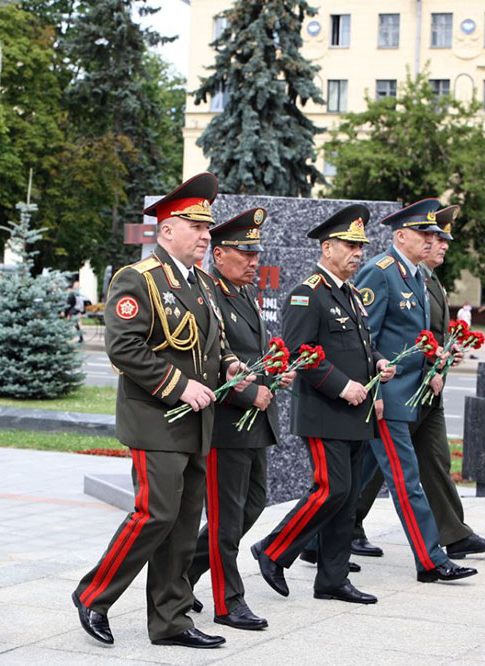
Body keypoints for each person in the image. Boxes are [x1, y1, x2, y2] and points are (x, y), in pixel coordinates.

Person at [72, 172, 251, 649]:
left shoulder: (205, 285)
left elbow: (215, 345)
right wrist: (180, 386)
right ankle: (93, 594)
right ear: (167, 230)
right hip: (156, 419)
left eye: (207, 227)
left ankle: (170, 620)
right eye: (195, 226)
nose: (205, 235)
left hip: (196, 423)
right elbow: (124, 348)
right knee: (155, 513)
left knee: (182, 521)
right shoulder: (138, 278)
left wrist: (234, 368)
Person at [250, 204, 393, 605]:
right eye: (349, 245)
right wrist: (342, 385)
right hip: (325, 411)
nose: (357, 253)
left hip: (356, 412)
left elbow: (361, 344)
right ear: (327, 247)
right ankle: (273, 550)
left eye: (360, 247)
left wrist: (379, 361)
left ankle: (333, 579)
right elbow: (300, 351)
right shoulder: (306, 293)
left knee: (346, 501)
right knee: (333, 489)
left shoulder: (349, 293)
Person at [351, 208, 485, 563]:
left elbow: (421, 336)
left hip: (420, 389)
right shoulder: (382, 272)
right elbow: (364, 336)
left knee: (425, 464)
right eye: (427, 235)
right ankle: (430, 557)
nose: (435, 242)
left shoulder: (421, 278)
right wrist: (372, 390)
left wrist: (440, 359)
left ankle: (452, 536)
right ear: (401, 236)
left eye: (436, 236)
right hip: (392, 393)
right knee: (381, 475)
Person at [187, 207, 294, 630]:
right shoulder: (209, 294)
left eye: (256, 254)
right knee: (226, 518)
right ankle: (228, 603)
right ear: (218, 255)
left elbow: (248, 358)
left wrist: (273, 376)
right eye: (244, 254)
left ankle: (182, 571)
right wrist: (250, 392)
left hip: (255, 423)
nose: (254, 262)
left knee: (252, 506)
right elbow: (210, 361)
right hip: (227, 423)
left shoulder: (244, 293)